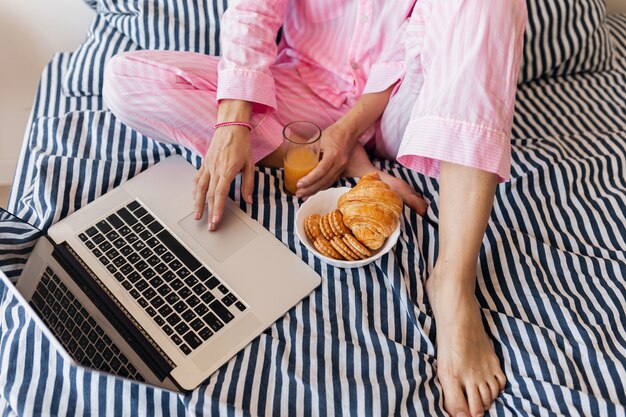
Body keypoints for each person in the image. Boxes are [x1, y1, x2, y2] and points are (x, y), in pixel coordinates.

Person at [103, 0, 527, 415]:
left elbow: (413, 40)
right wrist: (232, 122)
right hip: (302, 89)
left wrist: (346, 132)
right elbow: (254, 11)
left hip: (400, 104)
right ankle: (319, 151)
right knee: (127, 78)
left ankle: (452, 283)